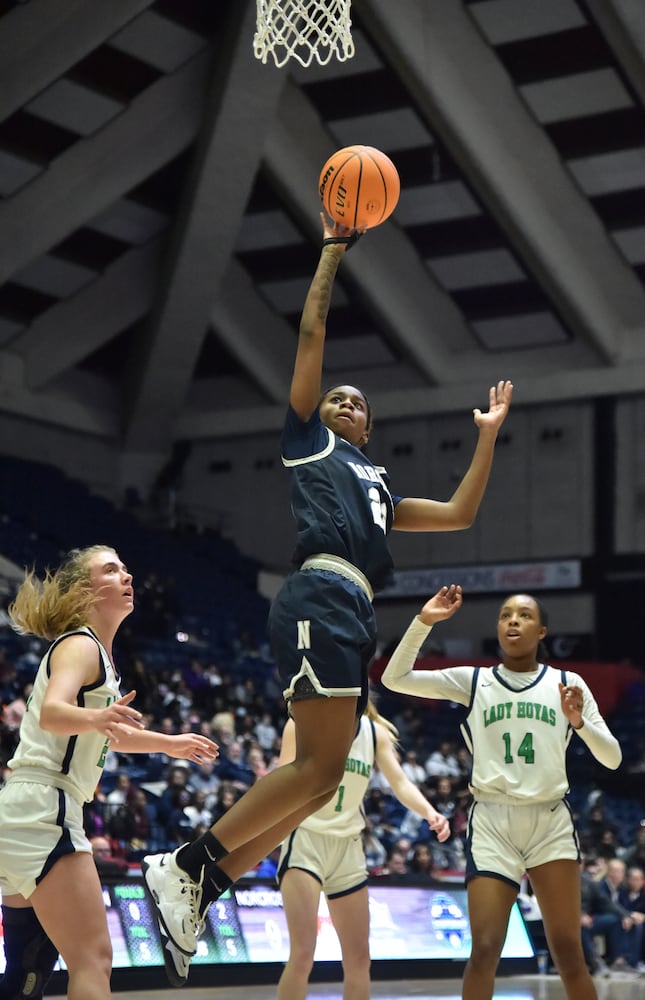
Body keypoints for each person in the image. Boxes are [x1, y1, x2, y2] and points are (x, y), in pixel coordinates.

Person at [141, 212, 513, 986]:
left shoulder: (376, 484)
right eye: (336, 397)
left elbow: (459, 515)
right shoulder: (309, 444)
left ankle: (202, 883)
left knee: (318, 780)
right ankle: (187, 862)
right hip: (315, 592)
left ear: (369, 427)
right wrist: (331, 254)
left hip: (353, 610)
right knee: (312, 767)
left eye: (355, 403)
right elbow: (310, 337)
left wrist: (485, 437)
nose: (344, 402)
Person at [380, 585, 622, 1000]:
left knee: (568, 952)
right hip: (493, 822)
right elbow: (393, 677)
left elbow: (613, 758)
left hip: (549, 823)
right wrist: (424, 622)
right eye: (506, 614)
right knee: (485, 949)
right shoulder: (474, 681)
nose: (513, 620)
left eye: (524, 615)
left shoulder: (568, 683)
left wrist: (580, 722)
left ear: (542, 631)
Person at [0, 546, 218, 1000]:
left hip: (22, 810)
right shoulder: (81, 644)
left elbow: (106, 734)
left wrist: (169, 744)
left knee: (28, 967)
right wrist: (98, 720)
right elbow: (54, 715)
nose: (127, 574)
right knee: (94, 960)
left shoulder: (93, 651)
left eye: (125, 567)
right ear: (84, 591)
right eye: (111, 569)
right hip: (47, 808)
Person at [275, 700, 449, 1000]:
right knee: (303, 956)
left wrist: (430, 812)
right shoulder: (301, 724)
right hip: (306, 840)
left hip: (348, 848)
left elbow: (400, 783)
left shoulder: (374, 732)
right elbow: (281, 782)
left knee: (359, 961)